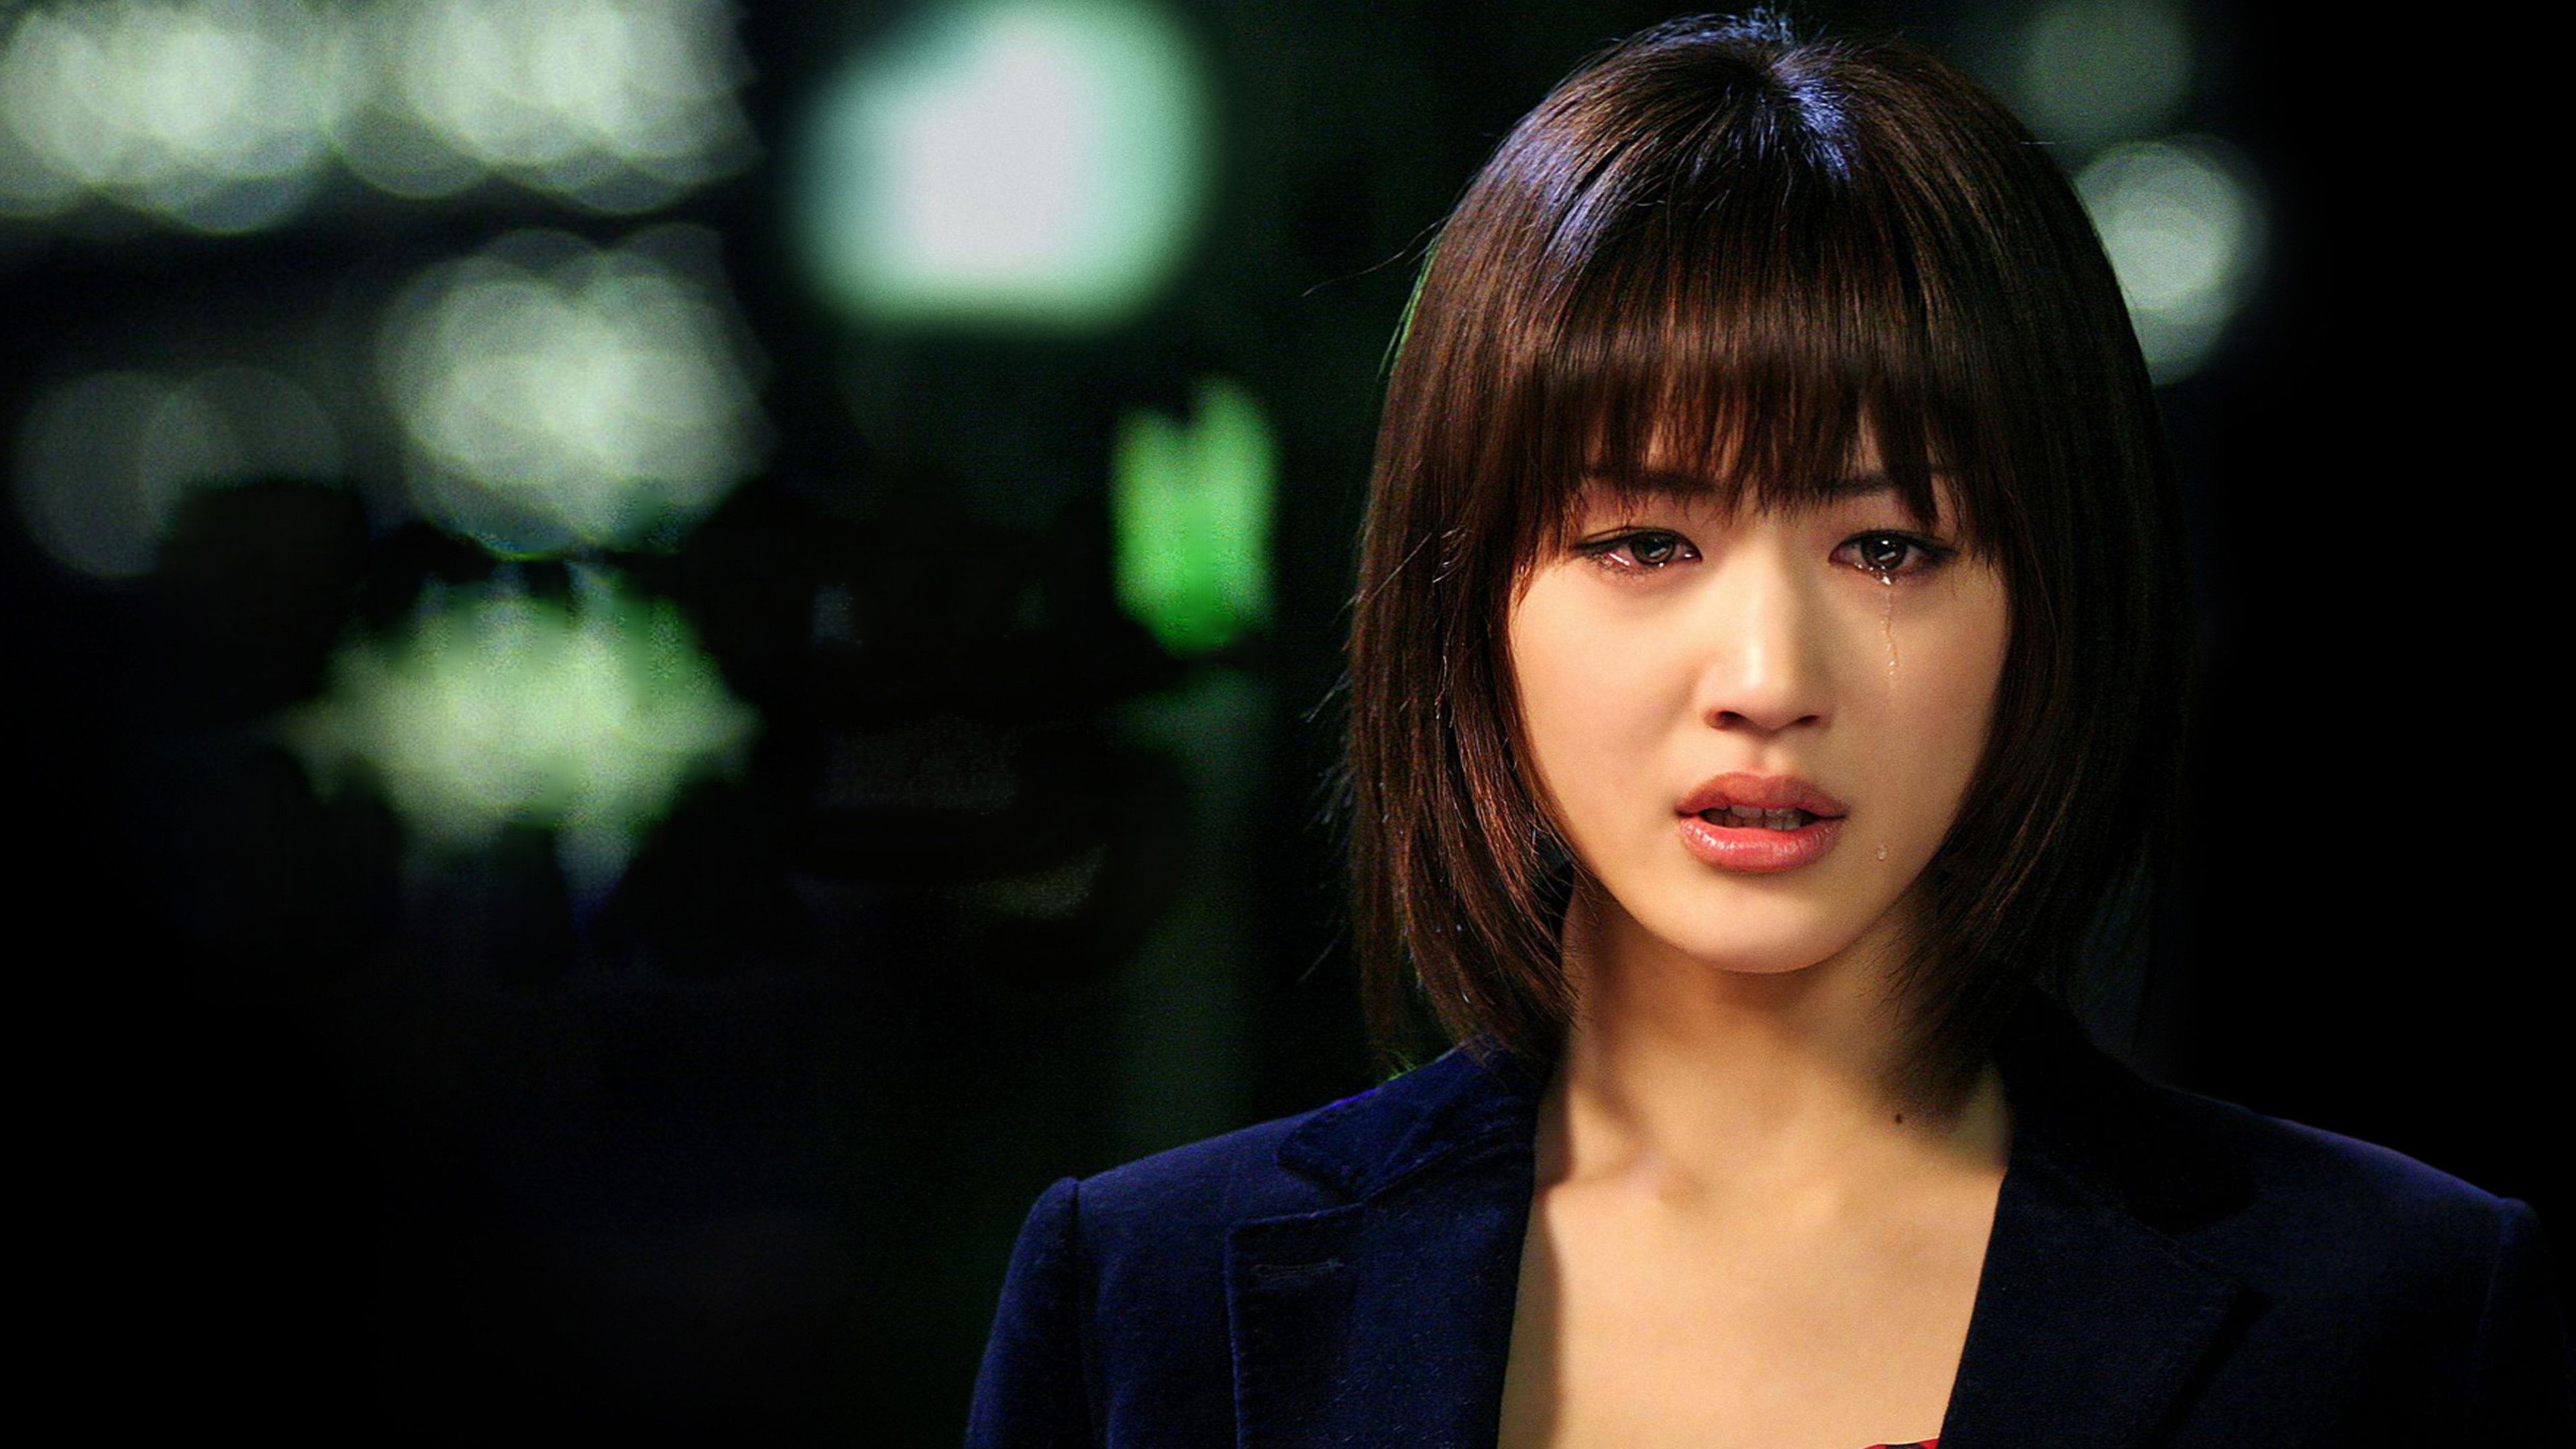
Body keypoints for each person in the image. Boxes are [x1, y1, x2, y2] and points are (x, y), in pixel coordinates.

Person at [965, 13, 2575, 1446]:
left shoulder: (2391, 1311)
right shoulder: (1147, 1294)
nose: (1764, 674)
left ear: (2051, 600)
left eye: (1888, 548)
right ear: (1473, 607)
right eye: (1643, 543)